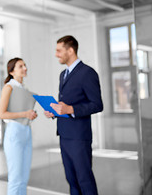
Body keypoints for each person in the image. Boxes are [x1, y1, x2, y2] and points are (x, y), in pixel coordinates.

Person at [44, 35, 103, 195]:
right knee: (71, 180)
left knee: (84, 179)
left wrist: (71, 110)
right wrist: (55, 111)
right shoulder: (63, 74)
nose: (56, 54)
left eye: (59, 50)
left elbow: (97, 104)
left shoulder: (88, 73)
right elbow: (66, 103)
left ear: (70, 50)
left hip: (79, 137)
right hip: (64, 135)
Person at [0, 57, 38, 195]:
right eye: (20, 66)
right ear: (12, 71)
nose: (25, 68)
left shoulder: (24, 89)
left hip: (26, 131)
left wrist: (30, 114)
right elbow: (1, 114)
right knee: (15, 178)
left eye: (25, 65)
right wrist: (25, 113)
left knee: (24, 178)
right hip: (14, 132)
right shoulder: (9, 87)